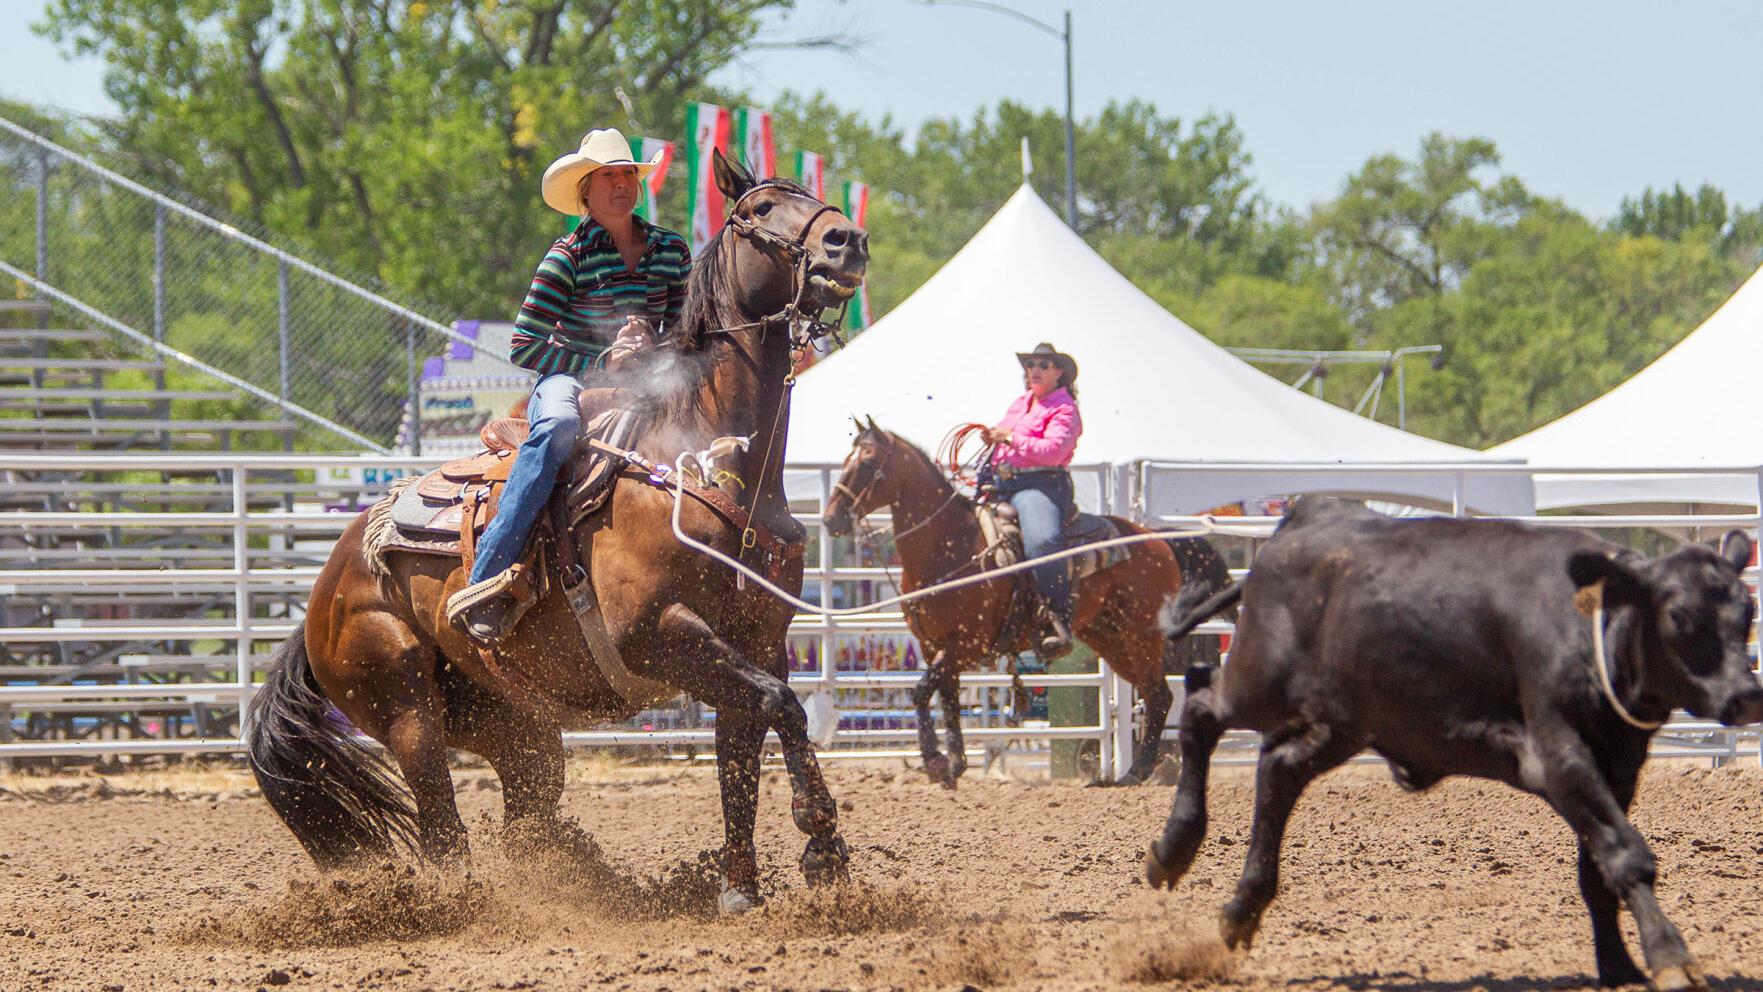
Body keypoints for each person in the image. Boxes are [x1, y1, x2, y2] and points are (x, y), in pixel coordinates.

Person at [445, 127, 691, 646]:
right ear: (587, 189)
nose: (622, 184)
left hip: (649, 380)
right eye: (609, 175)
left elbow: (684, 330)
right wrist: (604, 358)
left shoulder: (671, 250)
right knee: (556, 425)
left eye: (628, 174)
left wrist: (653, 347)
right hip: (568, 378)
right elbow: (524, 344)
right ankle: (487, 574)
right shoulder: (567, 256)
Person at [979, 342, 1084, 659]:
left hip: (1042, 485)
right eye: (1030, 365)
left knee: (1041, 541)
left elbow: (1053, 451)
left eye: (1043, 364)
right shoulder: (1020, 403)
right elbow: (1005, 440)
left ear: (1058, 373)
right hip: (1004, 483)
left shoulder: (1064, 409)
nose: (1034, 370)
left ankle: (1056, 620)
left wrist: (1008, 438)